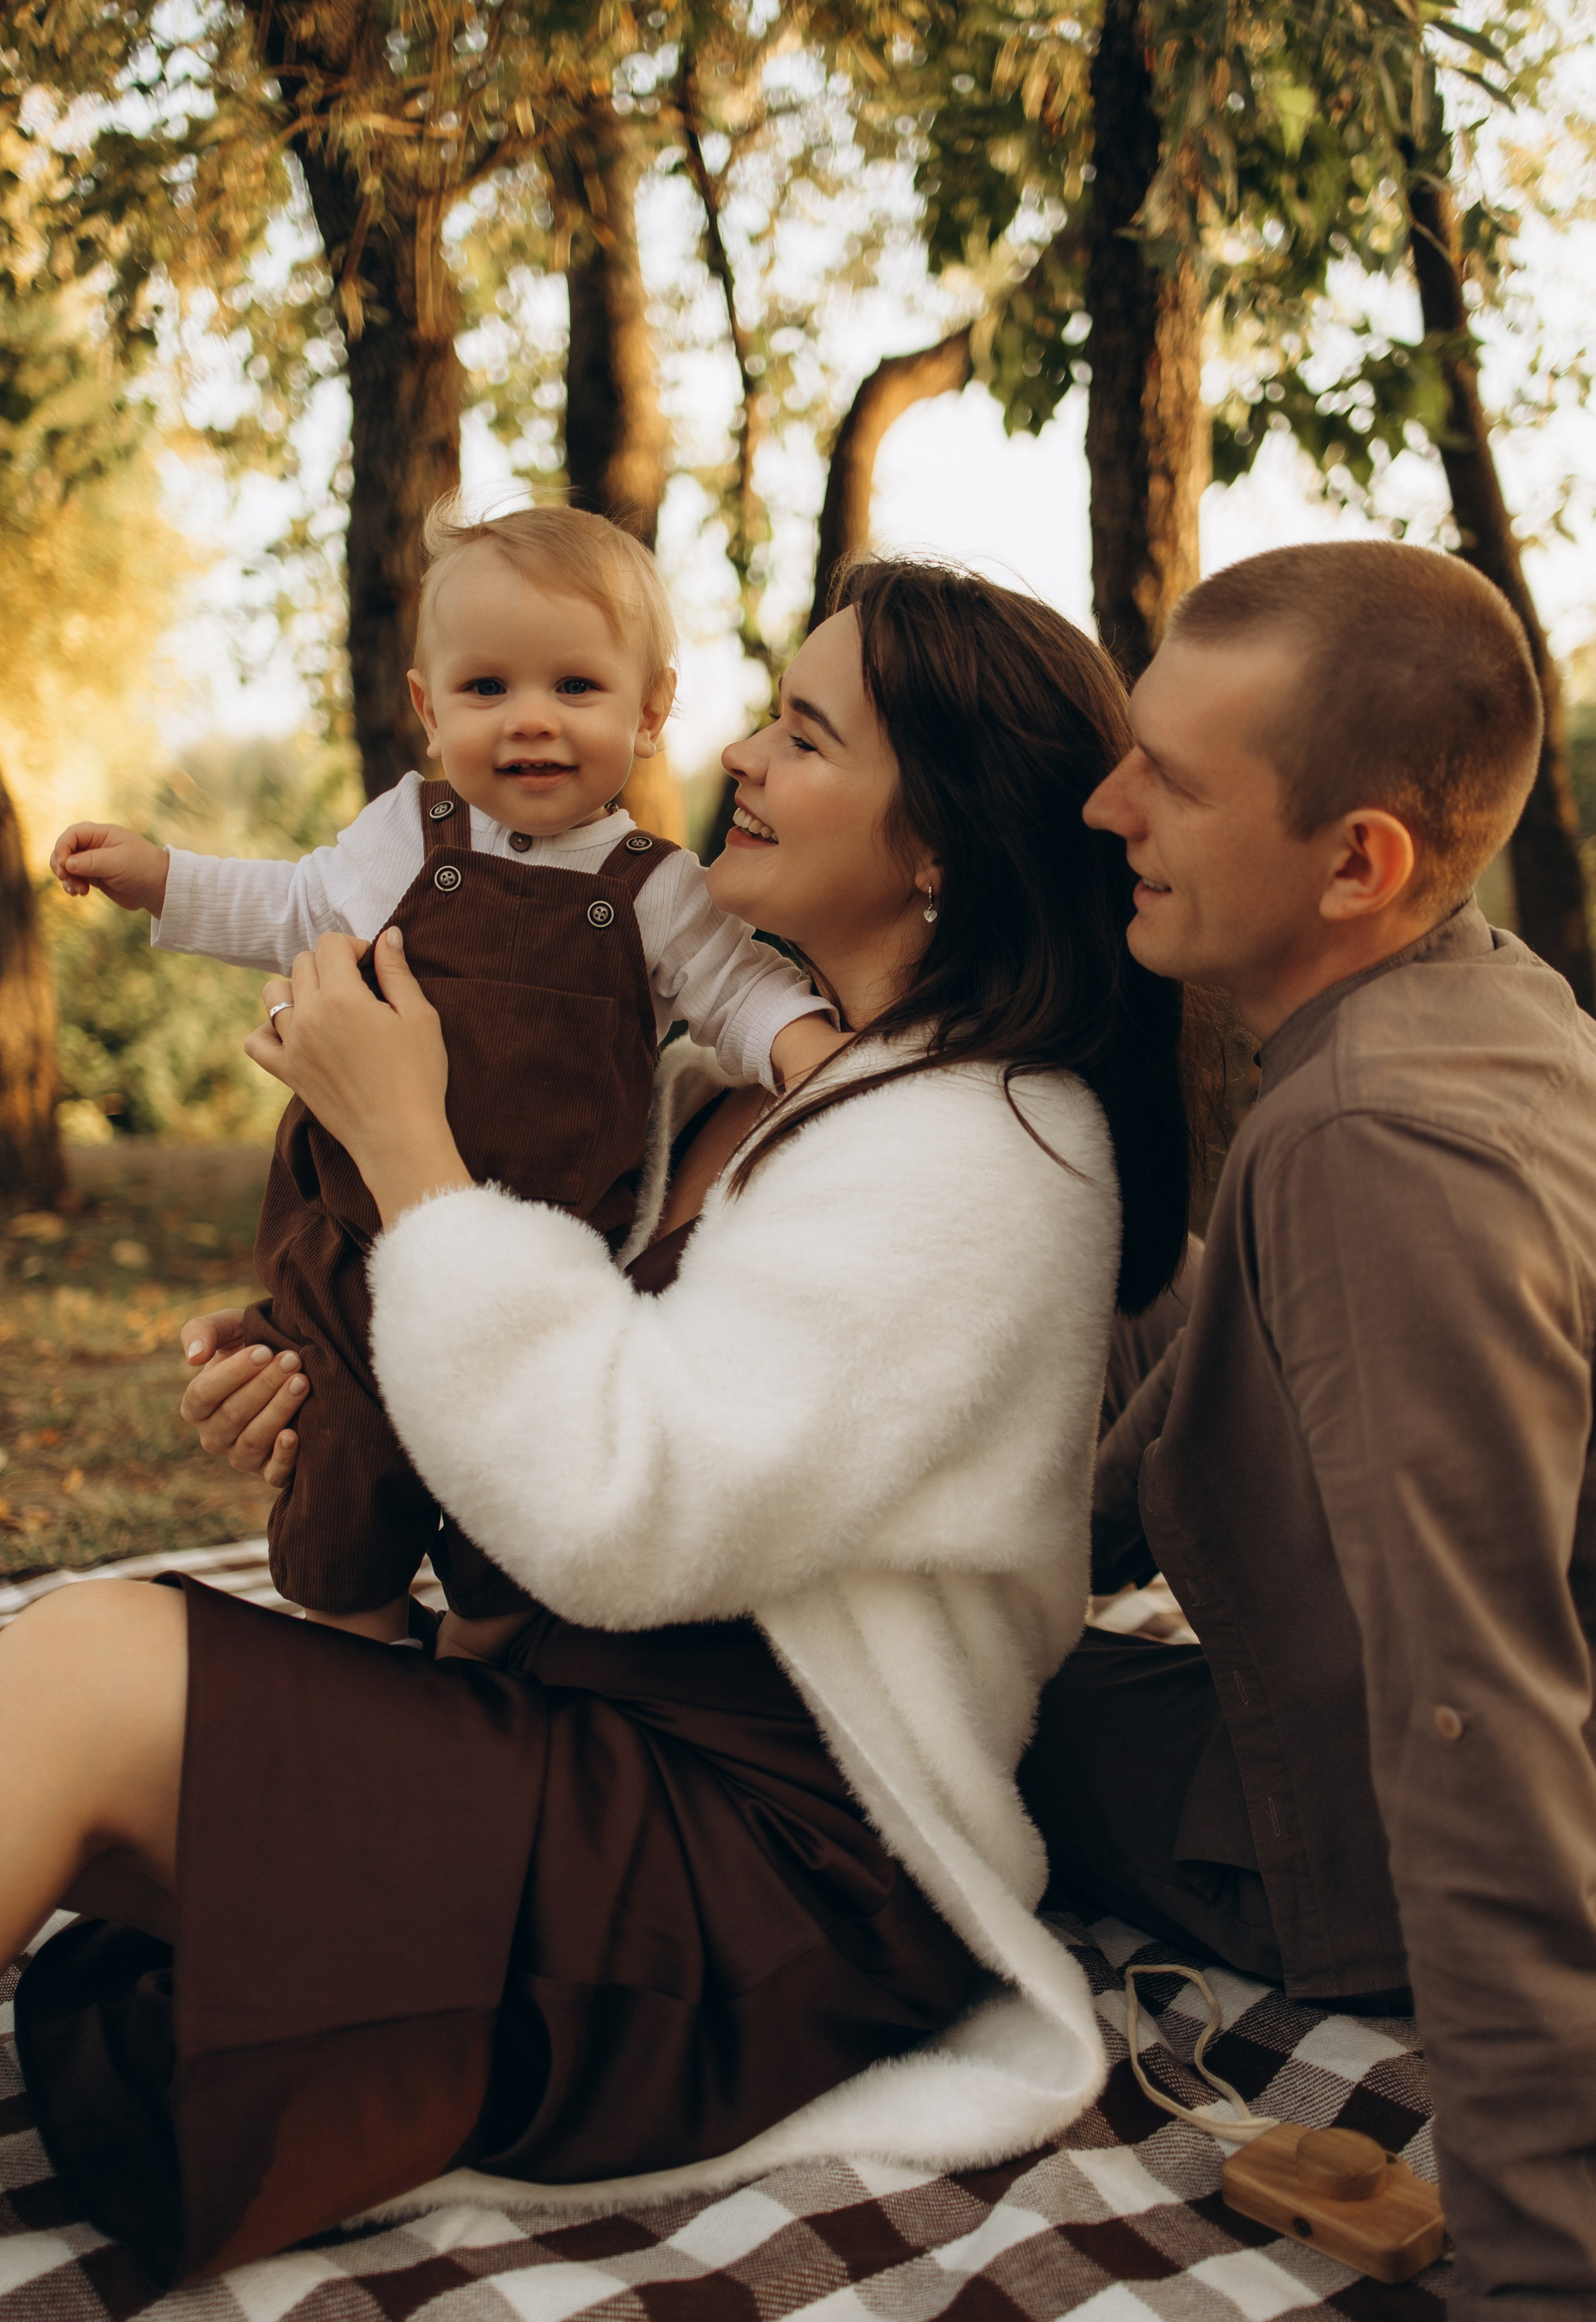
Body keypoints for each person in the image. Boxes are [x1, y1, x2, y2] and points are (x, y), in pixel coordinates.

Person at [1, 558, 1195, 2287]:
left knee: (89, 1667)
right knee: (77, 1722)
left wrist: (406, 1146)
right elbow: (527, 1380)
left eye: (805, 734)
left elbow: (622, 1516)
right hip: (573, 1738)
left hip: (765, 1866)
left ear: (937, 839)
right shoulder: (711, 1092)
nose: (740, 756)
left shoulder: (992, 1143)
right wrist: (331, 1377)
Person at [1016, 540, 1596, 2316]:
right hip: (1350, 1699)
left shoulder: (1372, 1152)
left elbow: (1474, 1707)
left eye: (1172, 780)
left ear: (1359, 862)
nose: (1107, 805)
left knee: (882, 1710)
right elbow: (1191, 1380)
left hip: (1359, 1850)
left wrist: (1539, 2263)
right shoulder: (1480, 998)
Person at [48, 503, 840, 1657]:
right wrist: (161, 877)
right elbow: (291, 905)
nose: (531, 719)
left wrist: (812, 1054)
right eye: (487, 688)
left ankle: (475, 1669)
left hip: (542, 1276)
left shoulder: (657, 889)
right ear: (428, 709)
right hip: (356, 1257)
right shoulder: (404, 838)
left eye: (576, 686)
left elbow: (741, 991)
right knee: (339, 1497)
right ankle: (361, 1660)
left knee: (511, 1534)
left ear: (651, 710)